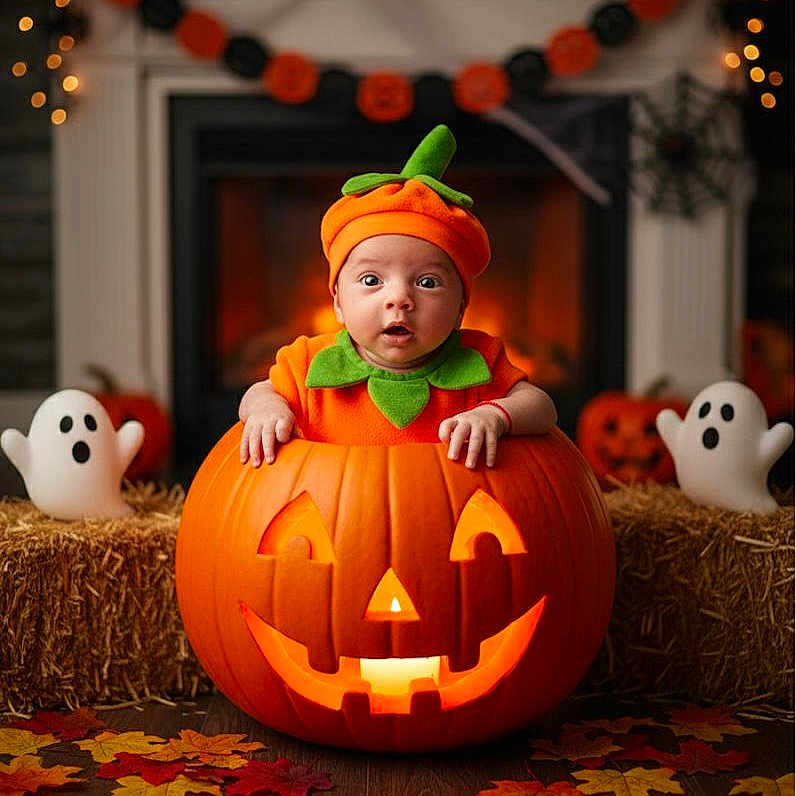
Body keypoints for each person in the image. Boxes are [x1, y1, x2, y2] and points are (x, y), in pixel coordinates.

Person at [239, 125, 557, 469]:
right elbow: (258, 392)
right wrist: (266, 409)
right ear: (338, 303)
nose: (400, 298)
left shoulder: (480, 362)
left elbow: (542, 407)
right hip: (338, 500)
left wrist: (494, 415)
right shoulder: (307, 363)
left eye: (428, 282)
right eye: (371, 280)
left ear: (460, 309)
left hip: (444, 502)